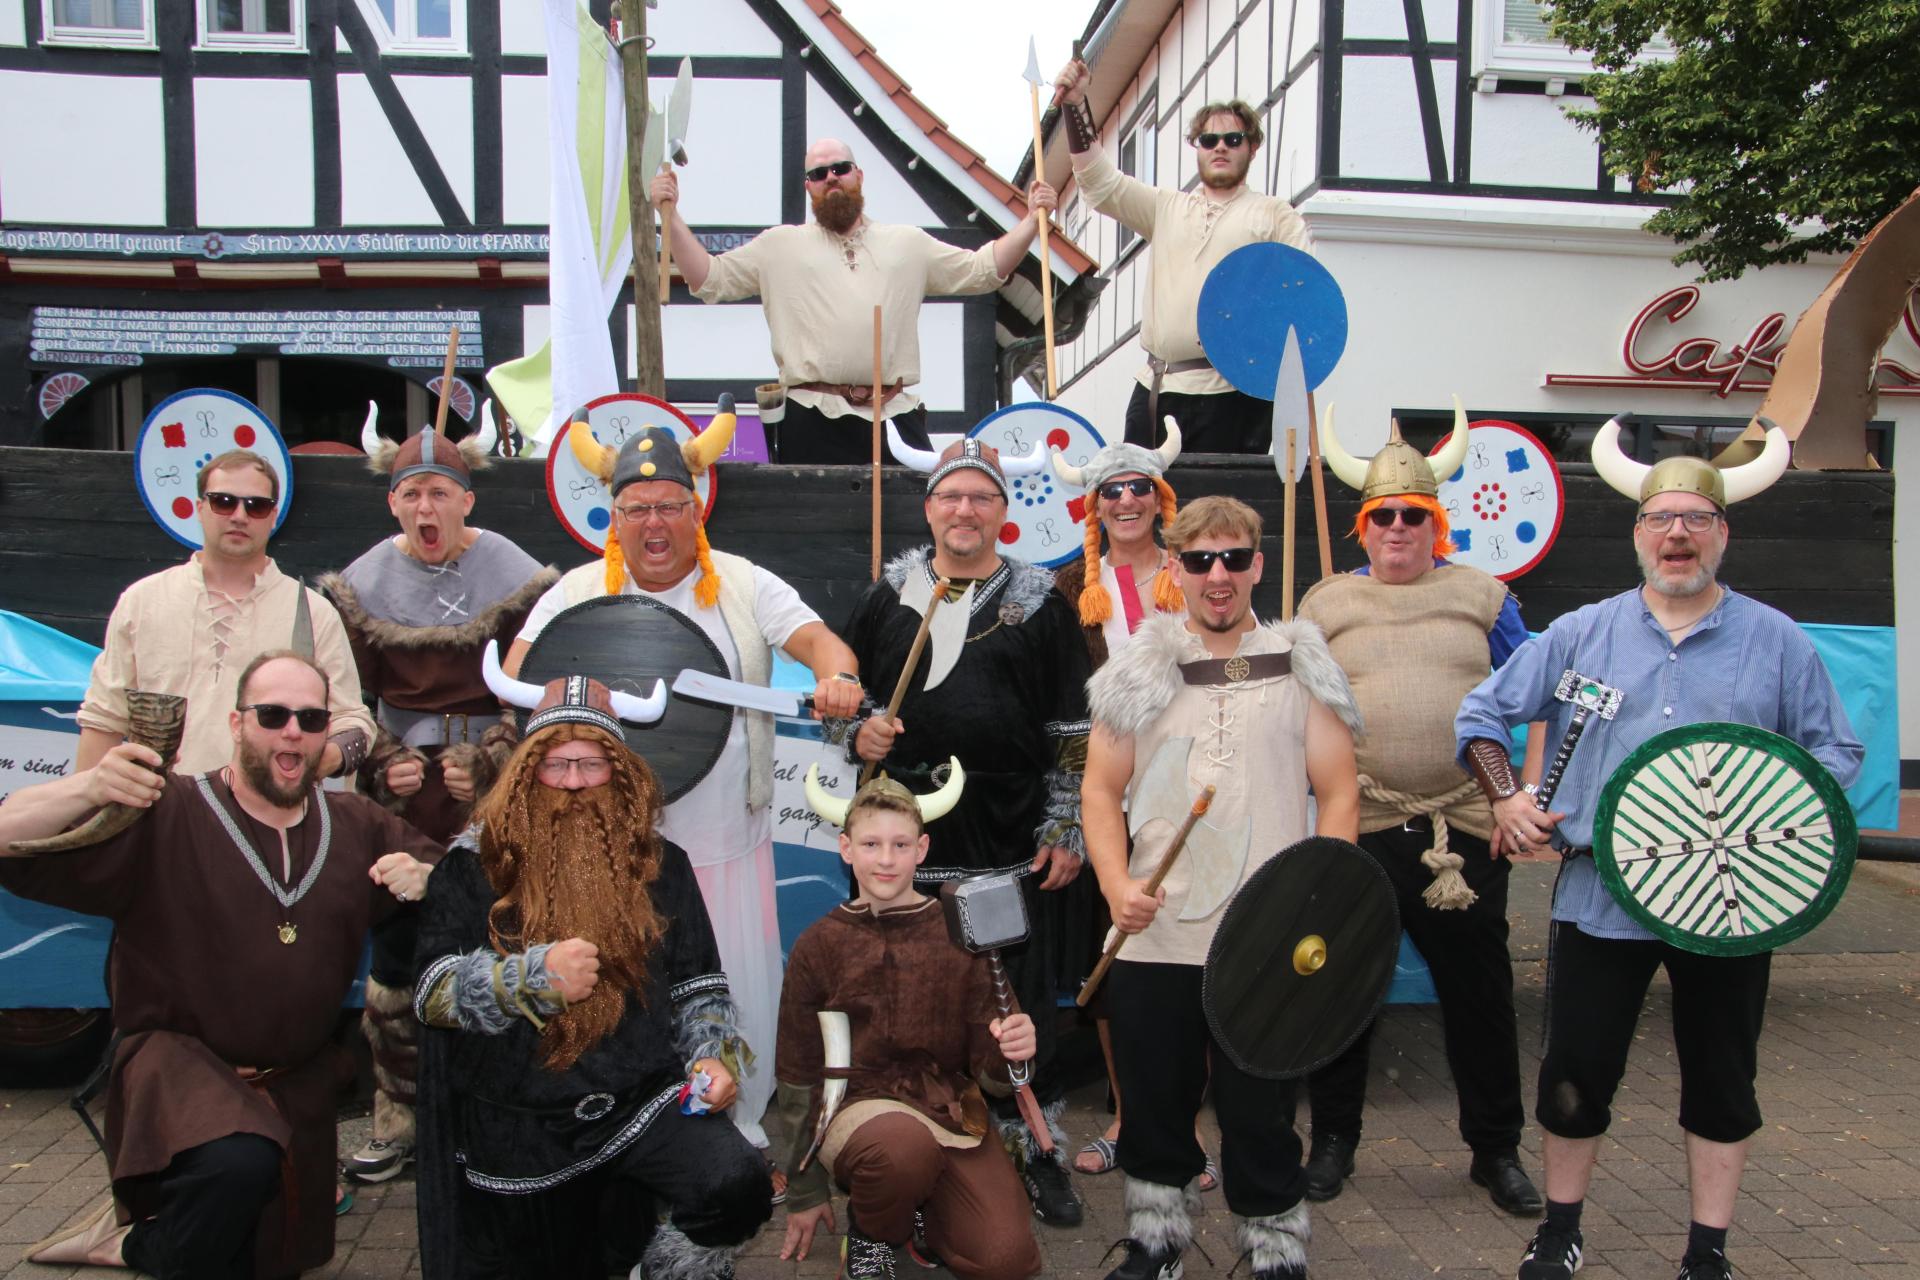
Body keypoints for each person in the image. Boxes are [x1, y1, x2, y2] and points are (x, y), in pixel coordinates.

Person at [1454, 424, 1862, 1280]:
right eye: (1661, 519)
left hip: (1733, 909)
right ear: (1638, 534)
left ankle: (1707, 1253)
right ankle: (1559, 1232)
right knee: (1574, 1075)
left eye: (1697, 519)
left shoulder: (1777, 641)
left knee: (1722, 1080)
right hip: (1600, 897)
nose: (1678, 535)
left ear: (1723, 533)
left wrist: (1778, 816)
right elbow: (1482, 717)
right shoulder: (1581, 634)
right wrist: (1506, 795)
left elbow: (1834, 755)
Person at [506, 404, 864, 1176]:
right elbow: (523, 670)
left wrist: (837, 676)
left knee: (734, 975)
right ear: (615, 517)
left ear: (693, 508)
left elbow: (817, 640)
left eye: (670, 504)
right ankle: (618, 1125)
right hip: (603, 843)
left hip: (719, 833)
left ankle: (738, 1122)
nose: (655, 523)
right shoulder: (574, 592)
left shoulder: (740, 581)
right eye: (638, 509)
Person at [1, 651, 439, 1279]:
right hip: (180, 1069)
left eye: (311, 718)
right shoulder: (167, 811)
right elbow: (6, 836)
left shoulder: (358, 824)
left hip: (295, 1082)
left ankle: (130, 1239)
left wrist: (428, 878)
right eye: (273, 714)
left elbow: (468, 883)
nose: (293, 730)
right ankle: (141, 1237)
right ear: (237, 724)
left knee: (264, 1257)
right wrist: (91, 784)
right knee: (237, 1166)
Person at [1081, 494, 1361, 1280]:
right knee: (1155, 1100)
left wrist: (1319, 901)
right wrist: (1113, 887)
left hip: (1266, 940)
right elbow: (1100, 793)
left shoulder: (1300, 665)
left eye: (1234, 558)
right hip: (1155, 931)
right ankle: (1158, 1239)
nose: (1218, 575)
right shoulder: (1139, 671)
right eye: (1199, 559)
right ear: (1174, 568)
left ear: (1257, 565)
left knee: (1260, 1113)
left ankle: (1273, 1251)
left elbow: (1339, 793)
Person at [412, 672, 772, 1280]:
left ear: (621, 773)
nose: (574, 783)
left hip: (641, 1101)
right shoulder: (472, 867)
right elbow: (431, 993)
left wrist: (715, 1059)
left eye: (591, 765)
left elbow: (699, 986)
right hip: (520, 1121)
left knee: (734, 1184)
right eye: (555, 765)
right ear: (526, 773)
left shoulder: (661, 865)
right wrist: (524, 980)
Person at [1291, 407, 1545, 1214]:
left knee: (1479, 996)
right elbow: (1294, 708)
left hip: (1465, 828)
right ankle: (1332, 1142)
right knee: (1344, 991)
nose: (1398, 528)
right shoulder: (1325, 604)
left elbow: (1540, 693)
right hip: (1358, 825)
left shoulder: (1485, 596)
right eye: (1383, 516)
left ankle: (1496, 1150)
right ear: (1363, 527)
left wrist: (1525, 794)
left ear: (1438, 523)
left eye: (1414, 515)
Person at [842, 436, 1092, 1225]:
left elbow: (1072, 726)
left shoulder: (1041, 601)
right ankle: (915, 1144)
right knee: (908, 992)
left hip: (1007, 836)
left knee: (1012, 997)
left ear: (1003, 512)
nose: (965, 510)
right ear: (929, 508)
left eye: (981, 497)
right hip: (908, 843)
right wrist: (858, 736)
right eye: (951, 496)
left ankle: (1035, 1145)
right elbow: (845, 705)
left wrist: (1064, 824)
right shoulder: (889, 600)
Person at [318, 412, 557, 1186]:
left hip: (491, 792)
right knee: (398, 952)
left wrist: (493, 759)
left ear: (467, 501)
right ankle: (399, 1118)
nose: (427, 509)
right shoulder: (359, 587)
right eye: (413, 493)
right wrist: (381, 760)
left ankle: (491, 1113)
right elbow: (345, 696)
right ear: (393, 503)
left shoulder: (513, 576)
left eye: (442, 492)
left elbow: (538, 684)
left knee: (500, 939)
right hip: (402, 796)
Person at [773, 768, 1044, 1280]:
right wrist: (805, 1193)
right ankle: (873, 1238)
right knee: (900, 1152)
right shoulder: (819, 945)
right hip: (857, 1108)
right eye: (871, 843)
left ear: (922, 849)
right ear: (846, 849)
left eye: (900, 844)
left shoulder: (960, 931)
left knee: (1008, 1259)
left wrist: (1014, 1050)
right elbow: (796, 1074)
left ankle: (919, 1217)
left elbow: (992, 1071)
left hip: (946, 1109)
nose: (886, 859)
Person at [650, 139, 1057, 463]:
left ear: (858, 175)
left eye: (840, 168)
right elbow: (707, 278)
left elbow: (982, 269)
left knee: (912, 535)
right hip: (809, 418)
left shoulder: (907, 243)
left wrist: (1030, 222)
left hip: (893, 413)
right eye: (818, 172)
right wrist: (671, 215)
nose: (831, 177)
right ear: (808, 185)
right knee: (814, 542)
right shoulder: (777, 247)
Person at [1048, 424, 1203, 1185]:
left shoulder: (1205, 571)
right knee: (1113, 963)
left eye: (1140, 486)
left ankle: (1187, 1123)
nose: (1128, 500)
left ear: (1159, 497)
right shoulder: (1066, 589)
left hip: (1195, 792)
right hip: (1107, 800)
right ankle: (1128, 1113)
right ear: (1094, 505)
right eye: (1112, 490)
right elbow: (1057, 707)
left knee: (1196, 955)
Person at [1053, 61, 1313, 453]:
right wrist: (1074, 106)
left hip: (1234, 393)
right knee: (1139, 503)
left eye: (1232, 138)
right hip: (1157, 389)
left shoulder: (1275, 215)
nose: (1220, 147)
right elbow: (1100, 183)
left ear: (1252, 146)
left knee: (1219, 513)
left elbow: (1301, 293)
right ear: (1198, 149)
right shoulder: (1166, 208)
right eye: (1209, 141)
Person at [76, 449, 375, 779]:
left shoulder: (312, 612)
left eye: (256, 506)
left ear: (273, 515)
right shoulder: (143, 601)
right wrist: (85, 811)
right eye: (223, 501)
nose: (239, 515)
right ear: (200, 508)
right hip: (160, 810)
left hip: (271, 820)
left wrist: (307, 767)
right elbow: (104, 719)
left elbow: (353, 722)